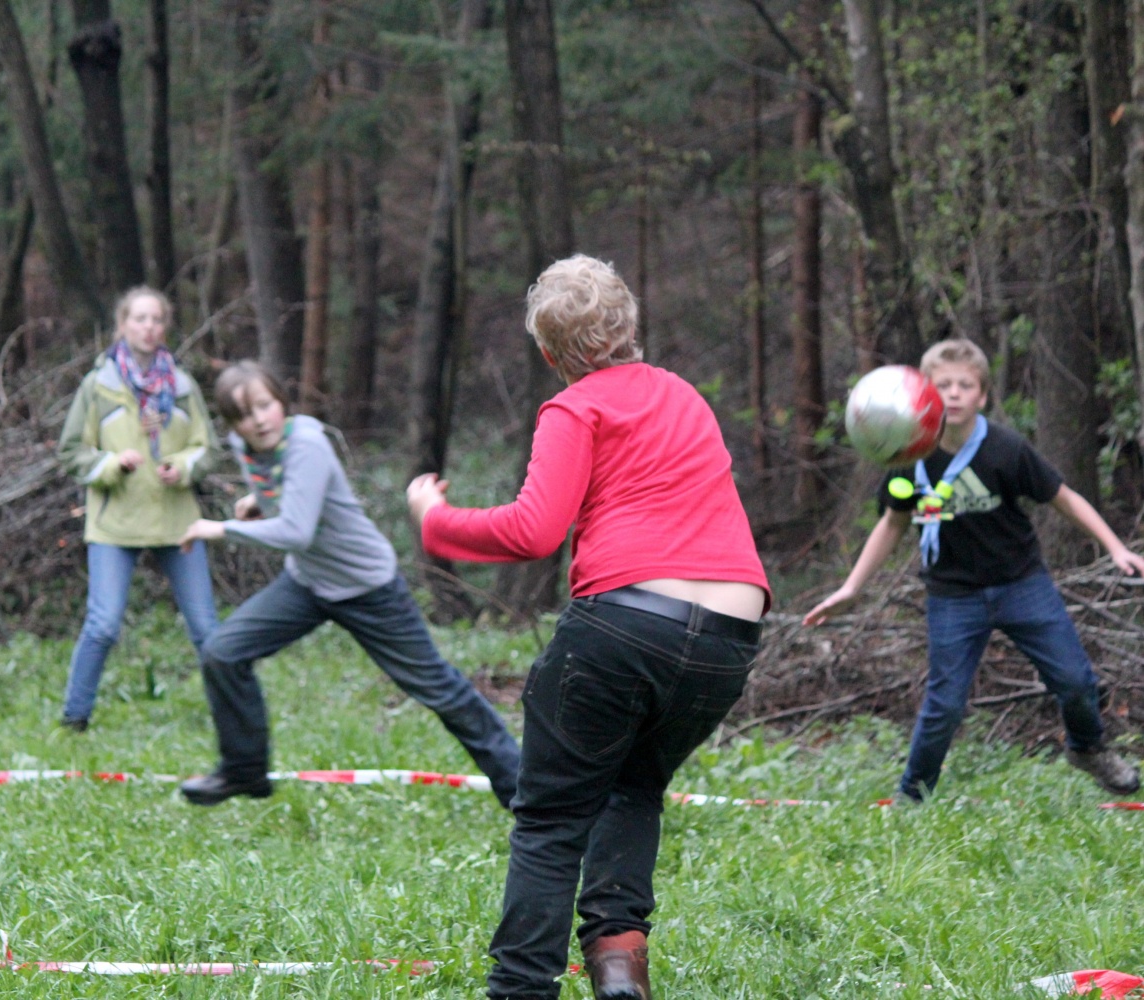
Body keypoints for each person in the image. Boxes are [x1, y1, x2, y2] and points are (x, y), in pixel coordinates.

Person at [409, 255, 769, 1000]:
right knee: (633, 787)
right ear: (631, 325)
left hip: (627, 625)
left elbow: (535, 531)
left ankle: (519, 989)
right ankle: (617, 970)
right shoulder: (682, 396)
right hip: (729, 638)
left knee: (550, 819)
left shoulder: (575, 408)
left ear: (549, 354)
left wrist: (436, 522)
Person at [805, 338, 1142, 802]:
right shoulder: (909, 454)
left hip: (1023, 585)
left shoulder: (1005, 449)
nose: (955, 393)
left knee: (1076, 682)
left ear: (983, 396)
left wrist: (1115, 547)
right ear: (924, 394)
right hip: (953, 597)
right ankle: (912, 797)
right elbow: (892, 523)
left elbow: (1064, 497)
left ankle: (1087, 749)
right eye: (943, 385)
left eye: (966, 385)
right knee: (943, 707)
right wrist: (851, 588)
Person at [175, 360, 520, 808]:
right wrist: (258, 502)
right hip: (309, 583)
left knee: (439, 689)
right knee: (223, 653)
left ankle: (523, 788)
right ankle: (244, 772)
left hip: (367, 587)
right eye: (244, 414)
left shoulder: (307, 445)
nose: (258, 420)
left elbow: (296, 531)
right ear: (232, 423)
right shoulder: (248, 447)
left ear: (281, 402)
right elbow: (289, 495)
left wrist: (217, 528)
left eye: (265, 405)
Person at [56, 286, 218, 731]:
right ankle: (74, 720)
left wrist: (183, 467)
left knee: (207, 630)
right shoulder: (99, 386)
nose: (149, 328)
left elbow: (209, 448)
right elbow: (71, 451)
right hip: (115, 525)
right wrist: (110, 464)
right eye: (139, 319)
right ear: (122, 325)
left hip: (178, 524)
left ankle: (235, 714)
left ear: (165, 327)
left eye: (157, 320)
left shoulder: (183, 387)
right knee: (104, 625)